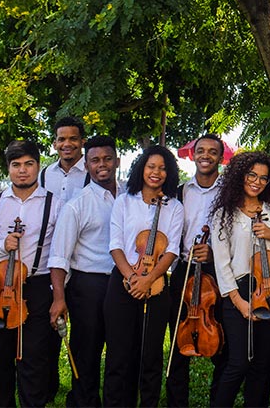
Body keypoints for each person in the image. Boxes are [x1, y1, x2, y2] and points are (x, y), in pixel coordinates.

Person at [0, 140, 63, 408]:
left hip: (37, 287)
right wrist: (2, 246)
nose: (22, 171)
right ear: (8, 168)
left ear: (38, 166)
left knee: (34, 359)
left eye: (28, 164)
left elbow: (60, 252)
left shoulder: (56, 205)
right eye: (16, 165)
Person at [210, 151, 270, 407]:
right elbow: (222, 264)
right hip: (239, 291)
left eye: (264, 178)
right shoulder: (224, 214)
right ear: (240, 176)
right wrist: (238, 301)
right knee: (238, 362)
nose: (257, 182)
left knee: (263, 363)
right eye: (252, 175)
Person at [103, 146, 184, 407]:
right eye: (151, 166)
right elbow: (115, 244)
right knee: (119, 354)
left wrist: (149, 279)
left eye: (162, 168)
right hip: (123, 282)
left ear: (169, 173)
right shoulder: (125, 201)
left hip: (158, 284)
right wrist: (131, 278)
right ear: (142, 168)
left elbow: (172, 249)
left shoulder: (174, 206)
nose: (156, 172)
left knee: (150, 356)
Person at [49, 135, 121, 408]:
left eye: (107, 159)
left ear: (116, 161)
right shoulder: (77, 204)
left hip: (123, 284)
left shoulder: (129, 196)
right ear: (87, 164)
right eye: (94, 160)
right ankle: (82, 402)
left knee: (120, 350)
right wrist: (59, 298)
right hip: (87, 286)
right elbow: (59, 256)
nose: (102, 165)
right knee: (86, 352)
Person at [167, 133, 224, 407]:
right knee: (178, 344)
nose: (205, 156)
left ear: (220, 157)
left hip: (217, 272)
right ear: (193, 155)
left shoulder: (230, 192)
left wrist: (214, 252)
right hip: (184, 270)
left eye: (212, 152)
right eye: (201, 150)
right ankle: (178, 403)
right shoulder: (179, 192)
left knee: (221, 344)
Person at [40, 116, 88, 204]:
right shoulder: (44, 175)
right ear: (55, 144)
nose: (67, 144)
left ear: (82, 143)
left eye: (73, 139)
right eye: (61, 139)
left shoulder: (92, 173)